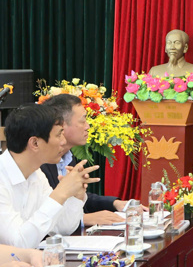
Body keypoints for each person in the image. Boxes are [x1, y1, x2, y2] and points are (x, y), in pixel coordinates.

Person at [0, 105, 97, 248]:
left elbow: (62, 228)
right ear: (34, 143)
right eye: (59, 135)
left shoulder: (36, 174)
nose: (64, 142)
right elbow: (18, 243)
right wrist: (60, 193)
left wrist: (75, 196)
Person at [40, 94, 144, 225]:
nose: (88, 126)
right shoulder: (40, 161)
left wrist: (115, 203)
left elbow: (77, 199)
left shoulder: (68, 156)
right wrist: (84, 219)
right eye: (83, 121)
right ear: (62, 125)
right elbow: (41, 212)